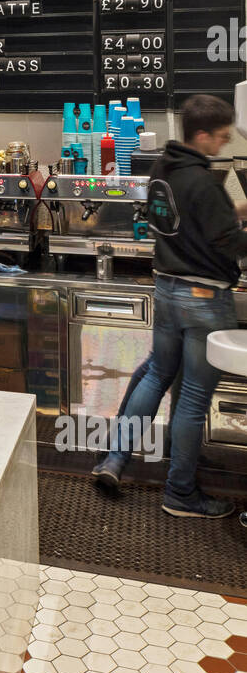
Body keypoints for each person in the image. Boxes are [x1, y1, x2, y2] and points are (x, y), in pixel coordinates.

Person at [92, 94, 247, 517]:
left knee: (157, 373)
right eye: (221, 136)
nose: (225, 141)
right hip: (203, 299)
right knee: (194, 396)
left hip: (166, 289)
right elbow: (228, 242)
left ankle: (114, 460)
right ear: (201, 135)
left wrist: (235, 209)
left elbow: (189, 219)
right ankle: (180, 493)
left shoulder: (163, 169)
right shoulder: (203, 179)